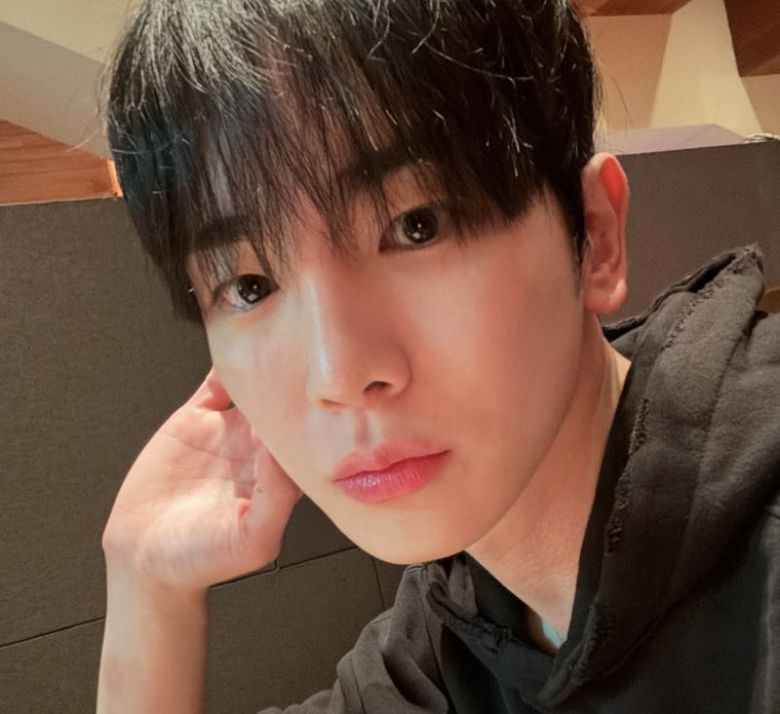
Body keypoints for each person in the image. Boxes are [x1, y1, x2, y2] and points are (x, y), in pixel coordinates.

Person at [96, 0, 780, 712]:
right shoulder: (455, 627)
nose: (339, 374)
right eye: (249, 285)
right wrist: (147, 581)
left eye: (416, 225)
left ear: (595, 236)